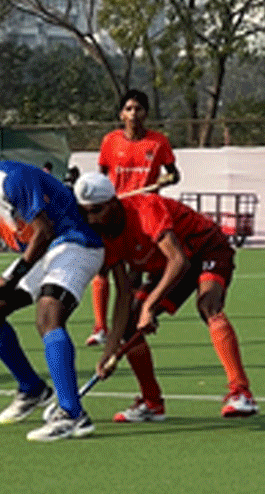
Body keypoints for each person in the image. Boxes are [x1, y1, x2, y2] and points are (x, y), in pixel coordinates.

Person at [0, 130, 107, 442]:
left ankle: (72, 414)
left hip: (75, 244)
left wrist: (12, 277)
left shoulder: (10, 179)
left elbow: (43, 231)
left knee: (49, 314)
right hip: (42, 255)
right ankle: (32, 388)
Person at [74, 172, 258, 421]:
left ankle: (241, 393)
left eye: (97, 210)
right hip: (166, 265)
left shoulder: (146, 209)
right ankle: (152, 403)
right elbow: (123, 294)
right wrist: (109, 350)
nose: (92, 219)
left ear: (114, 203)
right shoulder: (103, 236)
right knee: (130, 323)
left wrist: (150, 306)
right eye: (85, 212)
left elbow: (179, 260)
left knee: (208, 305)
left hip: (206, 248)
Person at [87, 89, 180, 346]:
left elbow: (174, 174)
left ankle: (128, 324)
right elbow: (101, 178)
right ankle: (100, 327)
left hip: (145, 215)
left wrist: (167, 179)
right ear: (121, 114)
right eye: (128, 109)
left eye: (138, 109)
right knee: (103, 267)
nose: (133, 114)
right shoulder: (110, 141)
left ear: (146, 114)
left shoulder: (158, 142)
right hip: (115, 214)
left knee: (135, 273)